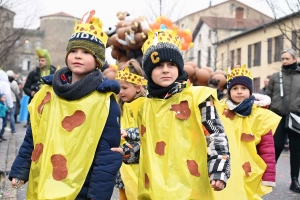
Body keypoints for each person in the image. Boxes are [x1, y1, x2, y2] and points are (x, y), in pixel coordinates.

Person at [9, 10, 122, 199]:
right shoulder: (48, 93)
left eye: (86, 52)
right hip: (43, 179)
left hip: (80, 187)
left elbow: (106, 155)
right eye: (74, 51)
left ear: (97, 60)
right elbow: (33, 135)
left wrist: (98, 195)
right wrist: (21, 170)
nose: (78, 56)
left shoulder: (104, 101)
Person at [135, 29, 230, 199]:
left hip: (189, 186)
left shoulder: (198, 97)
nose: (165, 70)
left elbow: (215, 134)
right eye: (158, 66)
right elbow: (146, 143)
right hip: (153, 188)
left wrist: (218, 168)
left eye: (171, 65)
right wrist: (128, 151)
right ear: (149, 72)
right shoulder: (144, 106)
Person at [219, 65, 280, 199]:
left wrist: (269, 176)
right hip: (225, 165)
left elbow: (267, 148)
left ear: (250, 91)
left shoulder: (260, 115)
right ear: (229, 91)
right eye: (235, 88)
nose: (239, 92)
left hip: (250, 169)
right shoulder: (220, 111)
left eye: (244, 88)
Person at [266, 48, 300, 193]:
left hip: (296, 117)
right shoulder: (275, 76)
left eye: (287, 58)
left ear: (294, 59)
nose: (285, 61)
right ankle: (266, 178)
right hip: (277, 117)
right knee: (275, 148)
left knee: (296, 150)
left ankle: (294, 181)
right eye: (283, 58)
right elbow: (268, 96)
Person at [113, 59, 147, 200]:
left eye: (125, 88)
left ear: (138, 87)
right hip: (123, 164)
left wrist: (129, 132)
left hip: (139, 163)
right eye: (119, 88)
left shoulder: (145, 105)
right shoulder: (118, 105)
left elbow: (149, 130)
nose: (121, 92)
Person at [23, 46, 56, 128]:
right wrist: (31, 93)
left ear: (47, 61)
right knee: (33, 127)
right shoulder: (33, 73)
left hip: (49, 103)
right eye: (39, 60)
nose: (40, 62)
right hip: (35, 103)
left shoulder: (55, 73)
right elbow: (26, 87)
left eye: (42, 60)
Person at [0, 70, 13, 141]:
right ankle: (1, 135)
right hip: (4, 105)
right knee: (4, 122)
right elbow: (8, 95)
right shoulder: (5, 83)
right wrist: (10, 106)